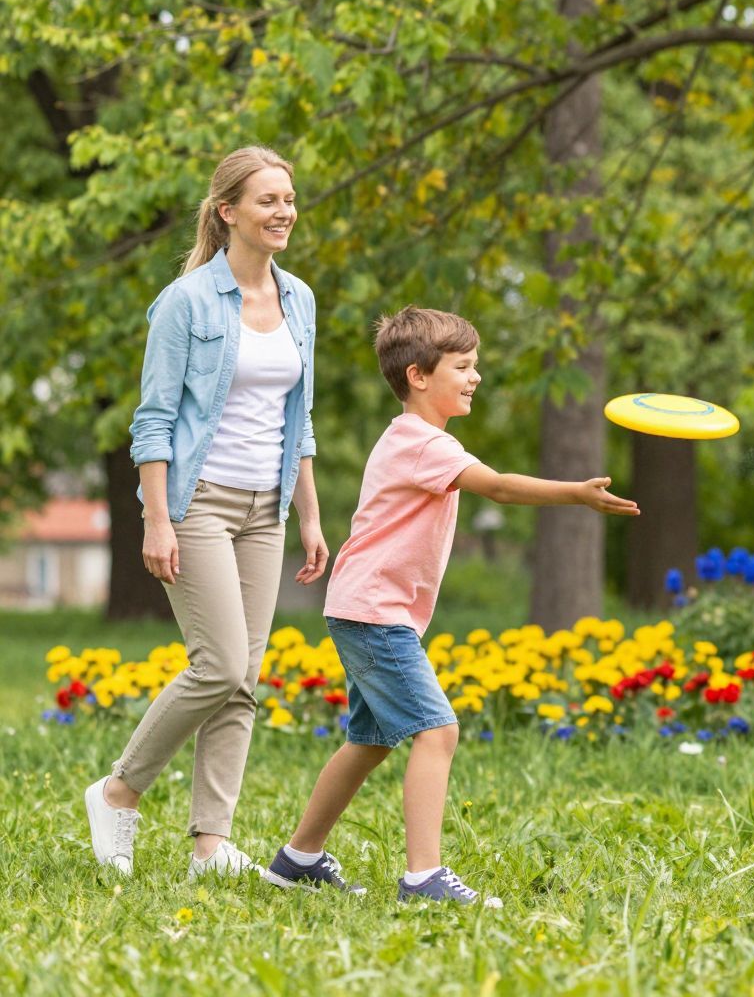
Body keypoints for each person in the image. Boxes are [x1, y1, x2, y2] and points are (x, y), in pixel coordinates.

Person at [261, 307, 637, 904]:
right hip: (374, 611)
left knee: (371, 739)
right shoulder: (420, 442)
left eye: (475, 366)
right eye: (462, 366)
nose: (474, 377)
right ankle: (424, 878)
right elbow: (501, 486)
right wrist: (576, 493)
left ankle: (297, 859)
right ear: (418, 375)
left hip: (366, 606)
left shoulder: (420, 440)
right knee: (438, 731)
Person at [86, 146, 329, 878]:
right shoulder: (187, 301)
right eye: (267, 200)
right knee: (219, 662)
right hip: (197, 503)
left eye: (288, 198)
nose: (283, 211)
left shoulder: (300, 300)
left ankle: (210, 846)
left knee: (243, 677)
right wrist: (157, 521)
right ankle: (119, 791)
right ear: (228, 212)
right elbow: (153, 421)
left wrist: (311, 518)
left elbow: (301, 420)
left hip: (267, 508)